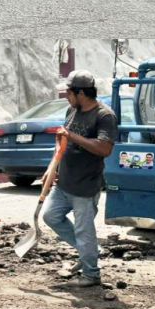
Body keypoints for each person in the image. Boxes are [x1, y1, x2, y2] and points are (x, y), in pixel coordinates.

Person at [43, 70, 117, 288]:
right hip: (64, 182)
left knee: (84, 231)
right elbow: (61, 141)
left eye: (69, 92)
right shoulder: (72, 111)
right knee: (50, 216)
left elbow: (104, 148)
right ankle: (88, 253)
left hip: (85, 186)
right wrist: (52, 167)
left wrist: (72, 136)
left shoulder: (104, 116)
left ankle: (91, 273)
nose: (66, 96)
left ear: (82, 93)